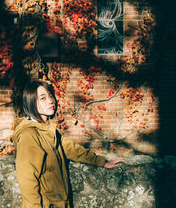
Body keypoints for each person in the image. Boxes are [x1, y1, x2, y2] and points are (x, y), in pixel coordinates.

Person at [12, 80, 124, 208]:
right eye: (43, 98)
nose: (50, 101)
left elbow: (73, 150)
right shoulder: (29, 134)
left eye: (50, 95)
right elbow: (27, 180)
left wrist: (102, 162)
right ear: (31, 103)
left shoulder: (47, 130)